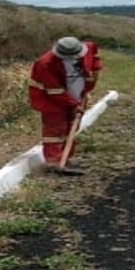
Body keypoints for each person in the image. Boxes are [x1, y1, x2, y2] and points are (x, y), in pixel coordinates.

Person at [28, 37, 102, 174]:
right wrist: (74, 104)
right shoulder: (45, 64)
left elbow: (95, 56)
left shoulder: (88, 48)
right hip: (50, 99)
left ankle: (66, 157)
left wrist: (93, 76)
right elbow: (54, 91)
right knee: (55, 129)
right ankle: (53, 162)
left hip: (75, 95)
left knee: (72, 126)